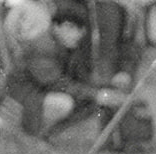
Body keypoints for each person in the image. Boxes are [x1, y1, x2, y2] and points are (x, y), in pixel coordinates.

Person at [9, 6, 106, 141]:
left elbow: (82, 80)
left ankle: (45, 136)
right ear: (55, 26)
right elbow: (53, 83)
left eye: (79, 29)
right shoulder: (43, 46)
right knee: (64, 103)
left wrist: (105, 91)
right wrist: (96, 94)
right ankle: (30, 136)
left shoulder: (69, 48)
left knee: (91, 102)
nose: (75, 34)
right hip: (17, 102)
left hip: (37, 97)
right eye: (69, 27)